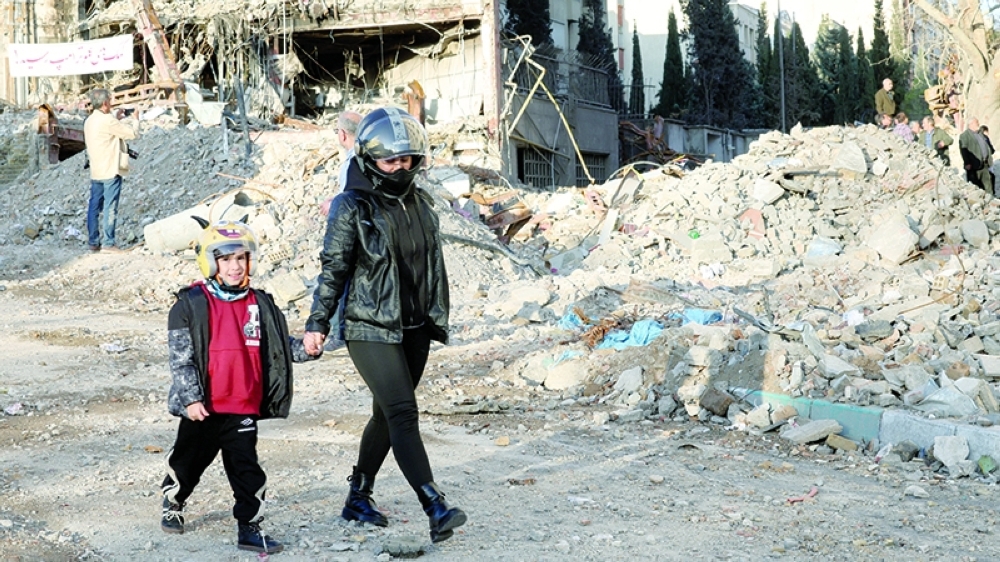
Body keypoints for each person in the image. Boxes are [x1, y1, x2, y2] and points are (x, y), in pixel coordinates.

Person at [303, 107, 467, 544]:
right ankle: (434, 504)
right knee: (402, 412)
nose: (399, 167)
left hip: (413, 326)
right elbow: (333, 268)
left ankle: (358, 495)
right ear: (369, 158)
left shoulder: (420, 201)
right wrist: (317, 323)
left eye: (407, 159)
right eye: (390, 160)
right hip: (368, 324)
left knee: (385, 413)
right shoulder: (350, 205)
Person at [160, 217, 318, 554]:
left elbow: (280, 349)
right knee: (188, 463)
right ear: (210, 261)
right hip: (203, 407)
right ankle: (173, 500)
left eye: (241, 258)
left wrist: (308, 347)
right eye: (226, 258)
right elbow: (181, 359)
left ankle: (249, 527)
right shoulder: (189, 304)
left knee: (247, 470)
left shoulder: (261, 304)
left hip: (242, 406)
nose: (235, 266)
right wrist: (190, 399)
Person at [84, 88, 138, 253]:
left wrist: (117, 118)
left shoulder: (89, 120)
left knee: (94, 207)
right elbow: (132, 134)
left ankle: (93, 241)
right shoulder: (108, 120)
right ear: (105, 103)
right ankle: (109, 242)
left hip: (96, 171)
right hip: (110, 170)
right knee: (110, 206)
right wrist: (135, 119)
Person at [319, 110, 363, 217]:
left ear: (342, 134)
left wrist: (333, 205)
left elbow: (352, 204)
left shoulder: (352, 164)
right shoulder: (371, 156)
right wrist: (337, 198)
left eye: (337, 131)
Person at [960, 117, 994, 191]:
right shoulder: (965, 136)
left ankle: (990, 199)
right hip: (973, 166)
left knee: (988, 185)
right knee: (976, 187)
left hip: (984, 164)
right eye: (977, 122)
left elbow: (986, 145)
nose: (978, 124)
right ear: (971, 124)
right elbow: (963, 150)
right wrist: (967, 162)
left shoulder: (980, 134)